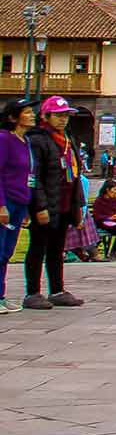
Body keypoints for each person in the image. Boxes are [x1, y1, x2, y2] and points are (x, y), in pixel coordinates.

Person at [22, 96, 86, 309]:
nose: (63, 120)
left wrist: (79, 207)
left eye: (66, 115)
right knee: (38, 247)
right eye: (58, 116)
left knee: (57, 249)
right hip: (46, 203)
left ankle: (57, 289)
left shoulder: (67, 139)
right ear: (46, 116)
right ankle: (32, 292)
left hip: (66, 203)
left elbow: (76, 174)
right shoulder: (38, 140)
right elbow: (35, 176)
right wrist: (39, 206)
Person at [0, 100, 35, 312]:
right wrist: (1, 206)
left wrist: (27, 207)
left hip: (20, 203)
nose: (32, 115)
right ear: (14, 118)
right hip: (7, 202)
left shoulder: (25, 142)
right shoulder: (4, 140)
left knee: (6, 252)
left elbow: (29, 175)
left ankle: (1, 295)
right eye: (27, 112)